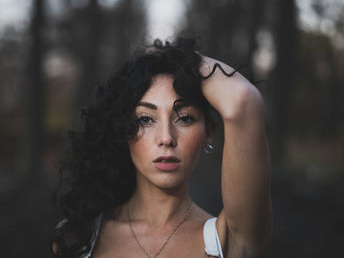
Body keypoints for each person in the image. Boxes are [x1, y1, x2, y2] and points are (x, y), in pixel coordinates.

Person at [51, 38, 272, 258]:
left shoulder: (227, 241)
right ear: (123, 131)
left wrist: (178, 57)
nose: (166, 138)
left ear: (208, 133)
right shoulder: (77, 238)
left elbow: (243, 100)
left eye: (184, 118)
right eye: (146, 119)